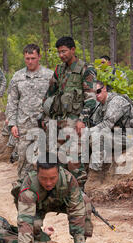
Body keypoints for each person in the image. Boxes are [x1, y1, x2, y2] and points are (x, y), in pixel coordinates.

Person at [10, 152, 121, 243]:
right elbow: (25, 220)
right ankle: (41, 241)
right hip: (37, 207)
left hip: (60, 202)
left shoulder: (68, 179)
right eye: (43, 178)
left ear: (59, 172)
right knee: (35, 231)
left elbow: (77, 211)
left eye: (52, 178)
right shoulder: (29, 185)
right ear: (37, 174)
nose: (48, 183)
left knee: (84, 202)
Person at [41, 36, 97, 189]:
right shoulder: (59, 70)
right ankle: (63, 193)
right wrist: (43, 116)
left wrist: (82, 120)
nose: (61, 55)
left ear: (73, 50)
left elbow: (91, 98)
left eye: (64, 51)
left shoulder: (86, 70)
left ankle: (79, 196)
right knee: (57, 159)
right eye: (59, 52)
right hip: (57, 121)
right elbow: (49, 94)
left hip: (74, 122)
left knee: (74, 161)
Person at [0, 44, 53, 178]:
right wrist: (12, 124)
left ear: (39, 57)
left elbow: (55, 101)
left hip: (44, 126)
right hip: (23, 126)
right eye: (27, 58)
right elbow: (12, 101)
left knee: (42, 161)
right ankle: (22, 191)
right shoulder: (18, 76)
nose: (30, 61)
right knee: (24, 160)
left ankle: (40, 193)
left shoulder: (49, 76)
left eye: (33, 58)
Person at [89, 81, 133, 173]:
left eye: (98, 91)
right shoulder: (101, 106)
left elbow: (106, 125)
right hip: (118, 135)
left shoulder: (116, 101)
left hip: (131, 136)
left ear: (104, 88)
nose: (96, 95)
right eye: (93, 93)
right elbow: (96, 123)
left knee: (97, 136)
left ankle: (95, 172)